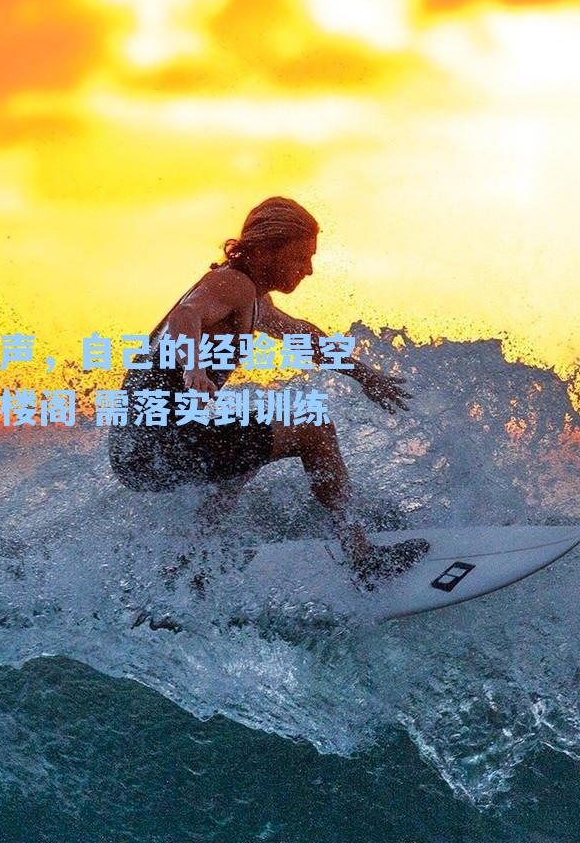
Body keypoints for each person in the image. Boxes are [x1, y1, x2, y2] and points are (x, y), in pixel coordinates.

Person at [107, 196, 428, 586]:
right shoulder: (232, 283)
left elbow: (303, 335)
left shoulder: (253, 298)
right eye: (300, 258)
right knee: (313, 429)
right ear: (265, 250)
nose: (308, 269)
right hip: (157, 446)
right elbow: (185, 315)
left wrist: (364, 375)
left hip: (139, 452)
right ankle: (362, 557)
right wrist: (193, 369)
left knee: (251, 447)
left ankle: (189, 567)